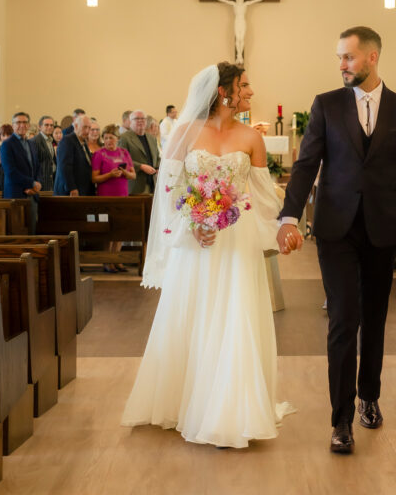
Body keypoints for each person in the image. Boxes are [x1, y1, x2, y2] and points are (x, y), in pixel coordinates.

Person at [122, 62, 292, 447]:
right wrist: (192, 224)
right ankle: (188, 400)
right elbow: (169, 190)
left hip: (239, 240)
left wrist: (287, 225)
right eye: (244, 85)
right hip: (196, 241)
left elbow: (264, 196)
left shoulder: (252, 136)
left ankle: (231, 411)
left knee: (236, 316)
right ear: (223, 91)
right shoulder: (184, 132)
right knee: (196, 315)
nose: (250, 92)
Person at [277, 26, 396, 455]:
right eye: (339, 57)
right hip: (336, 228)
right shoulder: (326, 105)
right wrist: (288, 216)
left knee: (375, 319)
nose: (341, 65)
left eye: (349, 57)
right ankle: (340, 420)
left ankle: (369, 397)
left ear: (372, 57)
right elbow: (306, 165)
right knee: (343, 320)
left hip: (382, 229)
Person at [91, 125, 136, 273]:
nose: (108, 140)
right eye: (105, 138)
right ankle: (107, 260)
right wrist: (110, 175)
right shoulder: (99, 154)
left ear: (117, 138)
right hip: (106, 196)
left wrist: (124, 173)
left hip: (122, 194)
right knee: (108, 229)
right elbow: (94, 178)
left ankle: (116, 260)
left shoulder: (124, 153)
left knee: (120, 229)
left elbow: (133, 175)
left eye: (111, 137)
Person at [0, 112, 43, 200]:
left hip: (33, 194)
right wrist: (32, 184)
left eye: (25, 122)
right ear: (12, 126)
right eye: (18, 123)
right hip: (15, 194)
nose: (22, 125)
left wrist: (37, 183)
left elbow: (37, 166)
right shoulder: (7, 144)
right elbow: (10, 171)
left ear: (29, 125)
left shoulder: (32, 144)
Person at [54, 114, 95, 195]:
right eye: (84, 127)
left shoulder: (83, 142)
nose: (87, 131)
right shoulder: (67, 140)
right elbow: (65, 167)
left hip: (82, 190)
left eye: (89, 128)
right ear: (76, 126)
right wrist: (71, 187)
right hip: (69, 192)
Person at [122, 110, 160, 195]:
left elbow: (157, 157)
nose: (140, 121)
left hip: (153, 183)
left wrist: (158, 167)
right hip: (135, 184)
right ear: (130, 122)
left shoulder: (152, 138)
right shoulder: (124, 138)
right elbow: (122, 160)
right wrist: (141, 166)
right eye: (137, 119)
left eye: (143, 118)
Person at [35, 115, 57, 192]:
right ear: (40, 127)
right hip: (41, 182)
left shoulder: (50, 140)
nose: (49, 127)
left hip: (50, 180)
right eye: (46, 125)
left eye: (51, 125)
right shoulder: (35, 141)